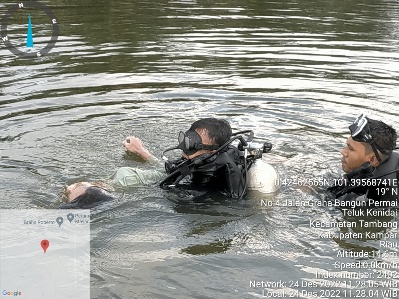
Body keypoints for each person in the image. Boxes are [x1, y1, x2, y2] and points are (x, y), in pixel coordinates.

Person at [122, 118, 249, 199]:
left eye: (193, 143)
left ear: (214, 150)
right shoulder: (199, 160)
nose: (185, 146)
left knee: (124, 174)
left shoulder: (210, 171)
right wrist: (141, 151)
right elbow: (173, 169)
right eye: (188, 138)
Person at [328, 114, 399, 207]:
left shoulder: (358, 198)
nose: (343, 152)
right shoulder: (394, 164)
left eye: (351, 149)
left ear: (373, 160)